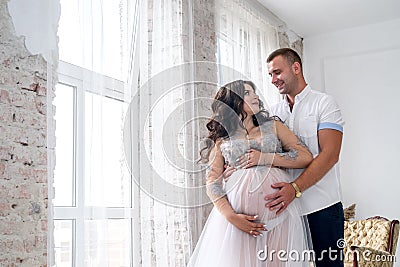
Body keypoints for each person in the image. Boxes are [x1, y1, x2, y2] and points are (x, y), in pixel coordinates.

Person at [188, 80, 314, 267]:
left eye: (254, 92)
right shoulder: (223, 139)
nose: (255, 96)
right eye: (247, 93)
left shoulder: (273, 127)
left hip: (278, 218)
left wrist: (265, 158)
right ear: (233, 101)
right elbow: (212, 182)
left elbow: (305, 156)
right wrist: (231, 217)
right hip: (239, 221)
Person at [264, 48, 345, 266]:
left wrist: (295, 189)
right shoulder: (273, 112)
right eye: (270, 75)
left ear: (296, 68)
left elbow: (329, 155)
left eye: (277, 72)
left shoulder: (324, 103)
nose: (273, 80)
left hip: (323, 209)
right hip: (287, 213)